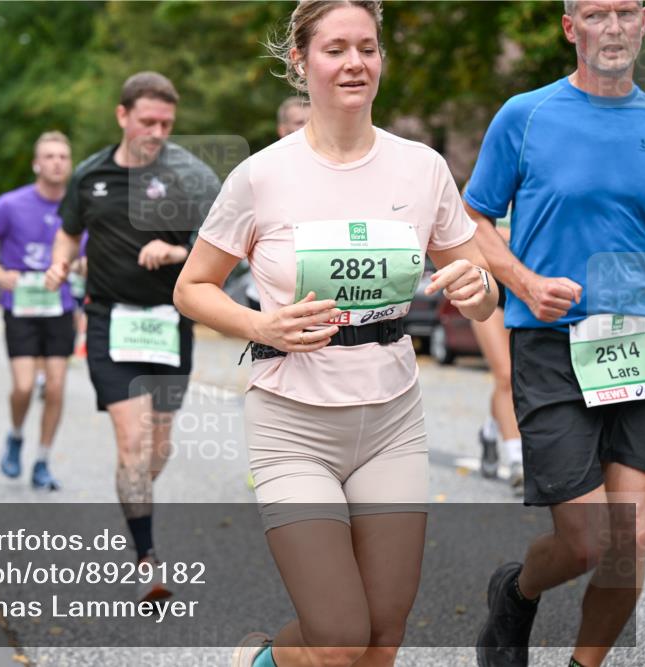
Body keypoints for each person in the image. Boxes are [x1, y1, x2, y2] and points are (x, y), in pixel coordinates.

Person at [173, 2, 499, 666]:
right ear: (301, 62)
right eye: (335, 49)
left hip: (391, 418)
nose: (355, 62)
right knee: (341, 636)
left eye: (368, 48)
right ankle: (261, 660)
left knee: (384, 633)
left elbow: (477, 279)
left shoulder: (422, 167)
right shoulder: (262, 175)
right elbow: (191, 286)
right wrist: (260, 322)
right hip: (294, 423)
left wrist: (479, 287)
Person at [465, 2, 645, 666]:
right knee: (585, 542)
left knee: (632, 539)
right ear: (571, 28)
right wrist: (524, 282)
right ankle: (513, 594)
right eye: (595, 13)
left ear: (643, 23)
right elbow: (474, 218)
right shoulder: (526, 115)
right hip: (552, 347)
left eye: (626, 10)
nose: (613, 25)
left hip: (642, 348)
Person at [45, 71, 221, 601]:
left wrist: (173, 253)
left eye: (167, 122)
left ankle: (136, 492)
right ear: (122, 116)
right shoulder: (89, 176)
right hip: (107, 321)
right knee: (133, 440)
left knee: (157, 447)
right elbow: (69, 233)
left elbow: (223, 249)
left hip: (168, 323)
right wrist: (59, 265)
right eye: (148, 121)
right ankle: (146, 557)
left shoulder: (190, 179)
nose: (158, 131)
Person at [0, 131, 75, 491]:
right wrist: (0, 275)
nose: (56, 162)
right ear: (36, 163)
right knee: (24, 385)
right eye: (49, 156)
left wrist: (74, 269)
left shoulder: (77, 209)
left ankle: (43, 460)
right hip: (21, 306)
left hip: (60, 306)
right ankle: (16, 436)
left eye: (63, 156)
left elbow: (88, 256)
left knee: (58, 387)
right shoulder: (9, 205)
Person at [469, 206, 524, 490]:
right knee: (505, 375)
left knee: (521, 377)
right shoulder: (483, 180)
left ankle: (490, 430)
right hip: (491, 287)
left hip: (527, 288)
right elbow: (467, 229)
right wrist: (513, 238)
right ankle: (518, 461)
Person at [244, 97, 311, 312]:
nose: (307, 128)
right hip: (267, 299)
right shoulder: (260, 172)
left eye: (312, 121)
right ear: (282, 129)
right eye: (300, 122)